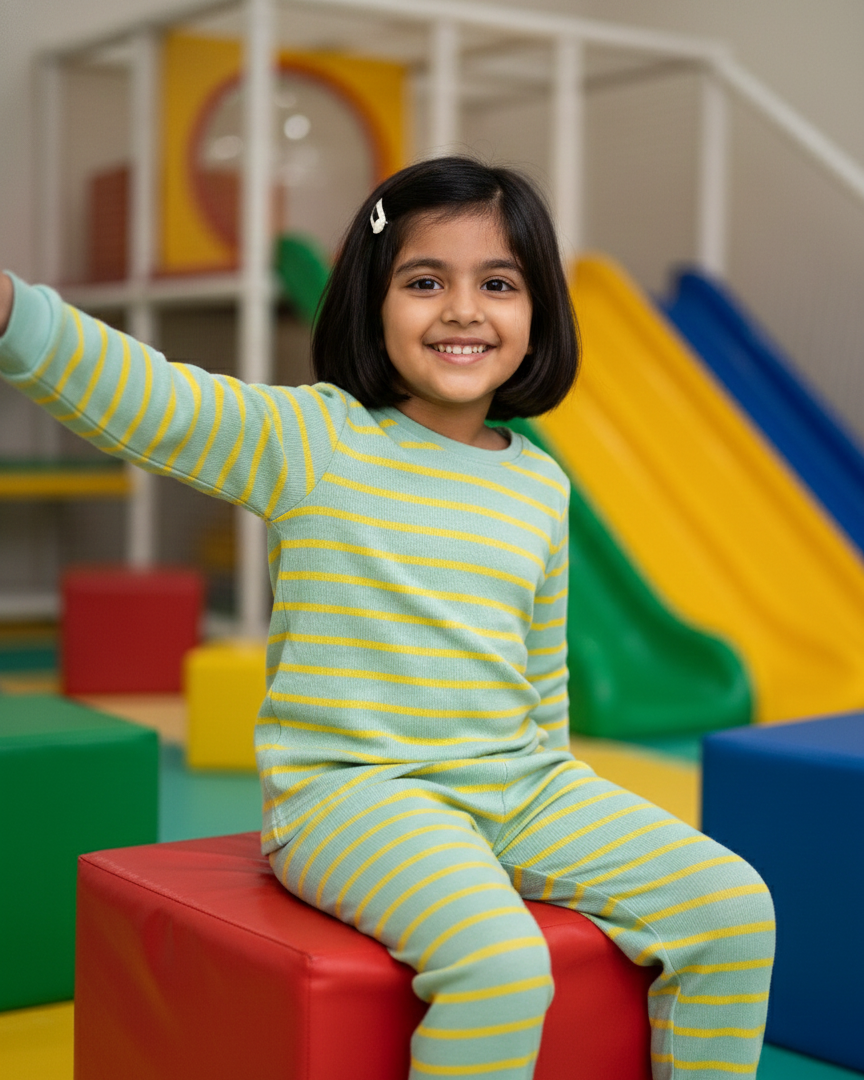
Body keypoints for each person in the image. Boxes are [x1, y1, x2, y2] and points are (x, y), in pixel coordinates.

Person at [0, 156, 773, 1079]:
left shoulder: (539, 483)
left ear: (538, 314)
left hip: (519, 787)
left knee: (733, 905)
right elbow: (157, 399)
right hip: (351, 796)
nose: (461, 309)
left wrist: (561, 800)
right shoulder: (315, 440)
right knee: (496, 961)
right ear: (373, 302)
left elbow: (542, 672)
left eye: (497, 283)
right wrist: (18, 313)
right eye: (423, 282)